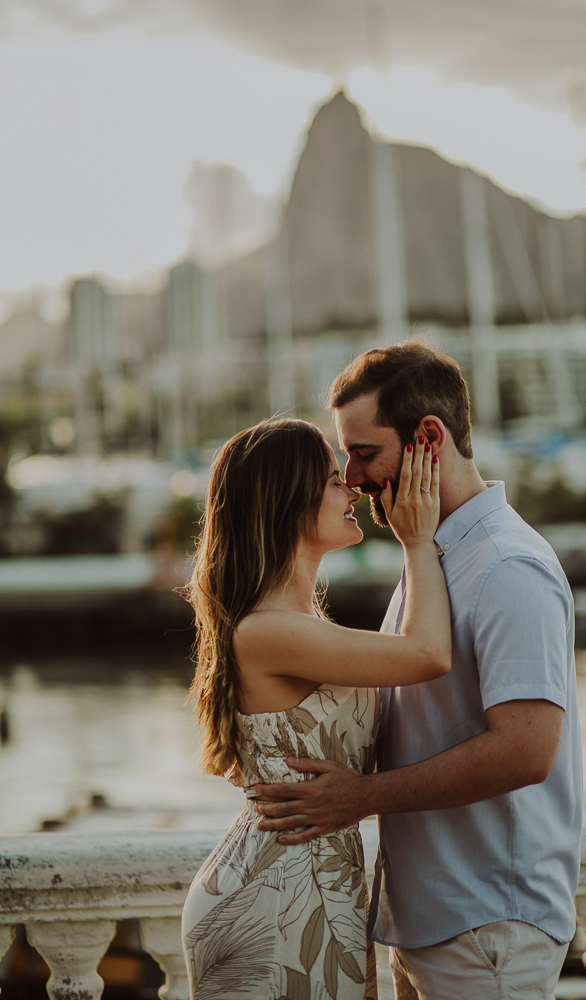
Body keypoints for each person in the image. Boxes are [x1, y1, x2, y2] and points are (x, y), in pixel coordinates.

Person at [253, 342, 583, 1000]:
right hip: (430, 923)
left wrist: (360, 796)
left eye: (365, 452)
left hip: (489, 925)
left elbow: (525, 749)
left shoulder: (504, 567)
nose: (351, 476)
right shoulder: (430, 555)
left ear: (428, 437)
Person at [180, 417, 451, 1000]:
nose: (350, 489)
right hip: (273, 894)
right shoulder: (266, 632)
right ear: (287, 503)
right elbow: (427, 654)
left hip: (321, 884)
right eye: (332, 480)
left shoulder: (304, 627)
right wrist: (418, 541)